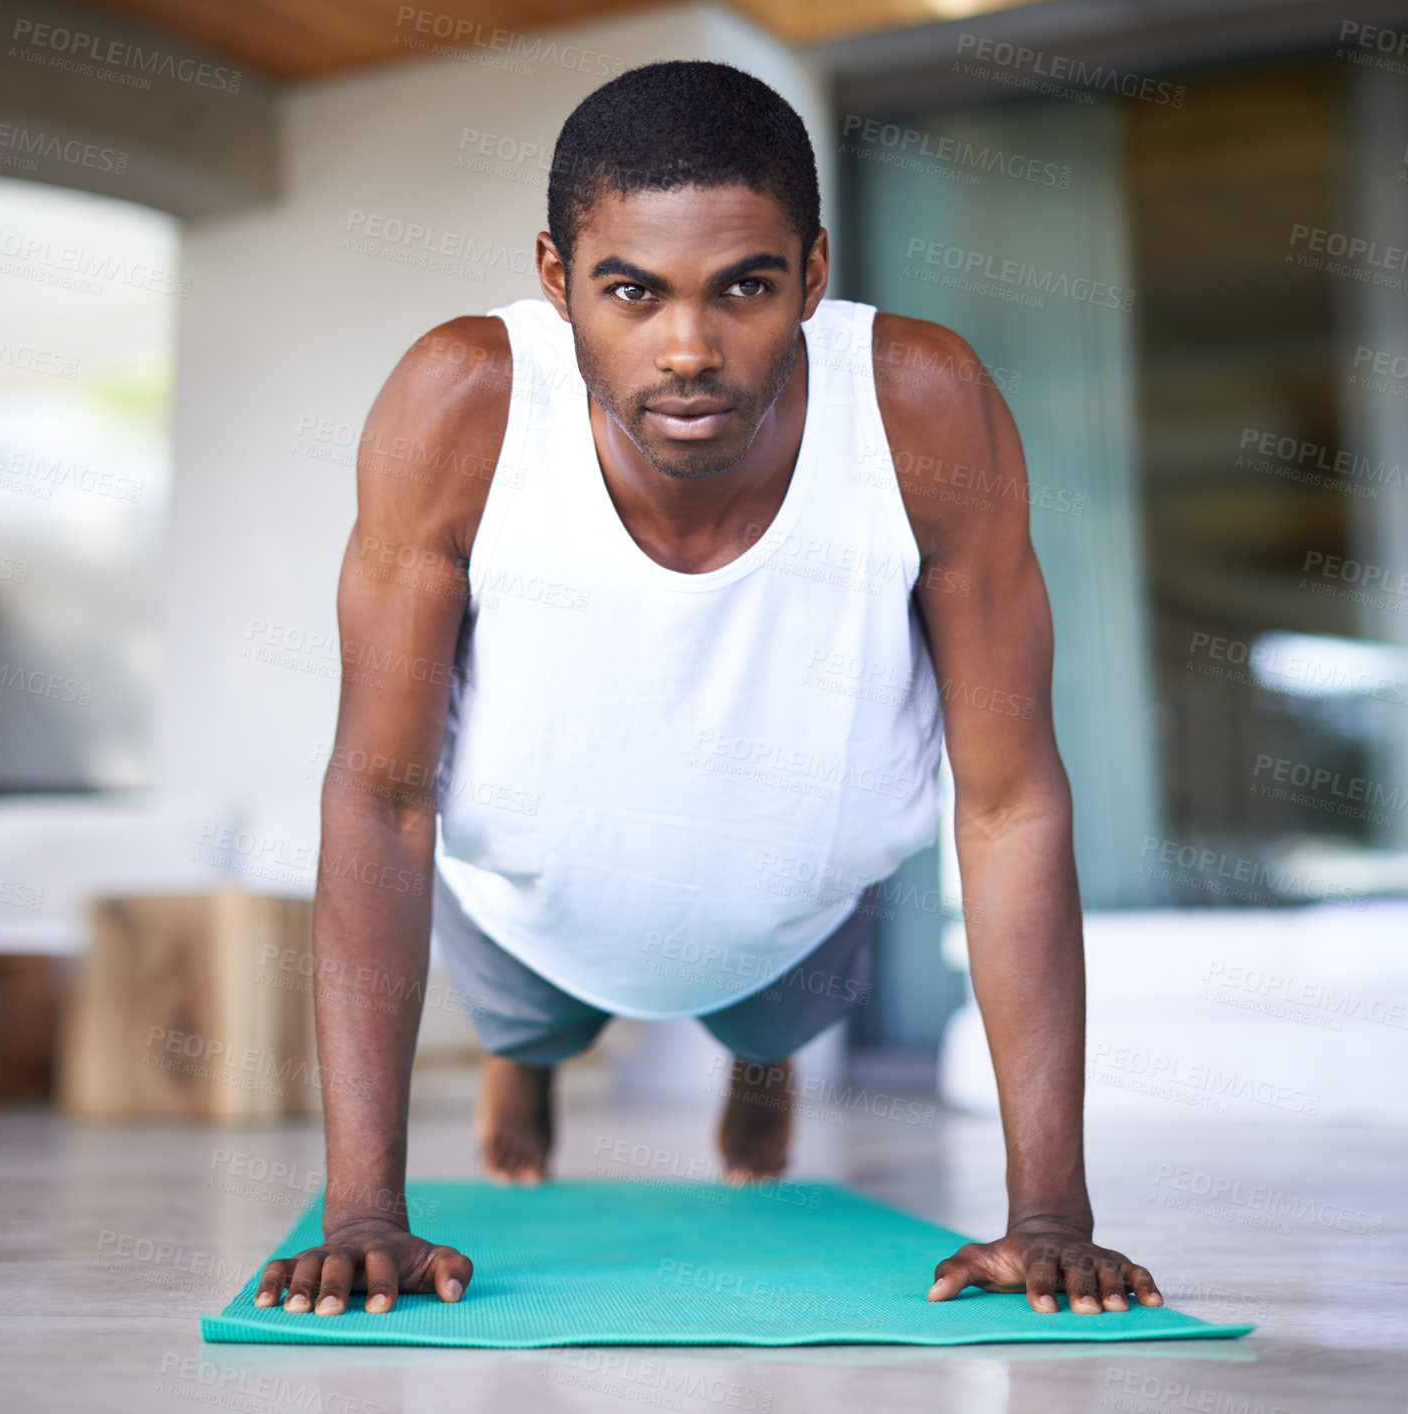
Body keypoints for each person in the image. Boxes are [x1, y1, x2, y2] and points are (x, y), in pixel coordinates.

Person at [253, 59, 1163, 1323]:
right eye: (632, 291)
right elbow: (380, 797)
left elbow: (1011, 805)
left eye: (746, 286)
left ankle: (758, 1061)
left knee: (773, 1015)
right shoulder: (461, 399)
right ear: (556, 277)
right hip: (527, 918)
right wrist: (364, 1208)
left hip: (795, 925)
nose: (690, 349)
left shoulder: (923, 403)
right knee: (536, 1031)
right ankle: (531, 1064)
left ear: (815, 271)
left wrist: (1051, 1215)